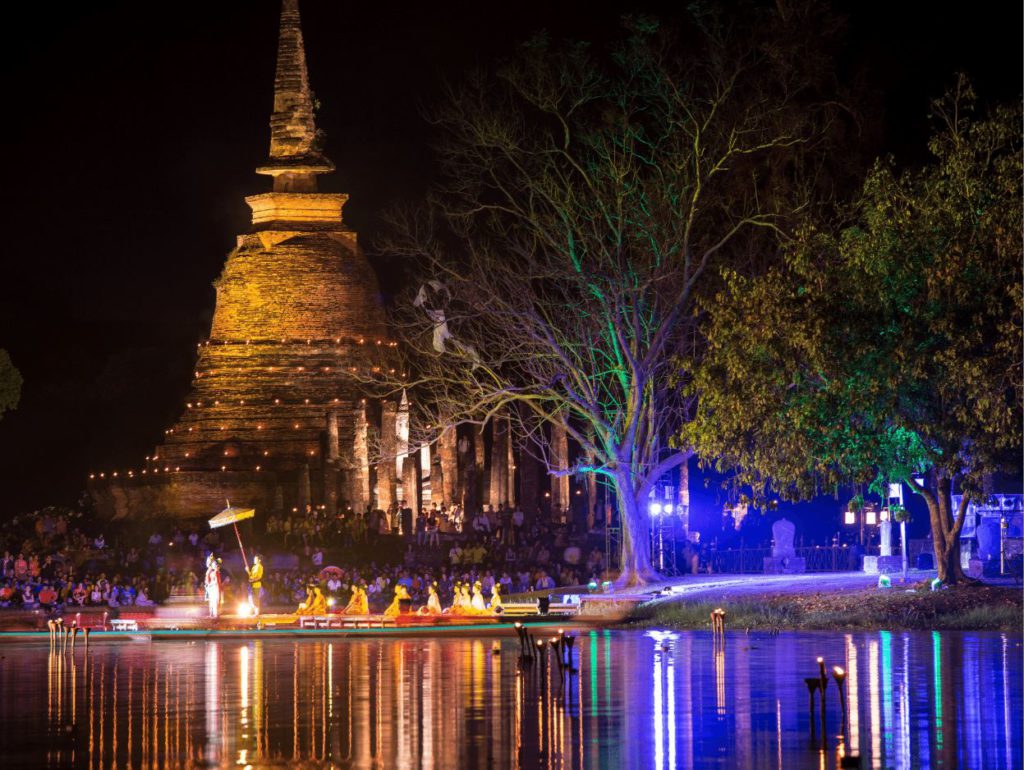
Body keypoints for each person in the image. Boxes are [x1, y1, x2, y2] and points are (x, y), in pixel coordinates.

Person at [204, 554, 221, 619]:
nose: (207, 562)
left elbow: (216, 581)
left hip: (213, 588)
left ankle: (215, 614)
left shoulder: (214, 571)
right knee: (211, 601)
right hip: (209, 588)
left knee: (214, 601)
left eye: (209, 561)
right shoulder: (209, 570)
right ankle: (211, 614)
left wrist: (209, 584)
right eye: (207, 561)